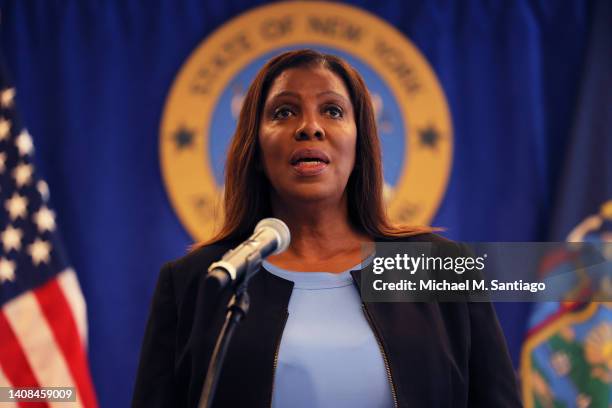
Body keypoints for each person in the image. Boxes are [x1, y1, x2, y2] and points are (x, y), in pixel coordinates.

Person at [132, 49, 521, 408]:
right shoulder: (200, 283)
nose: (310, 127)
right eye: (284, 112)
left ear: (360, 145)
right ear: (256, 150)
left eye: (333, 111)